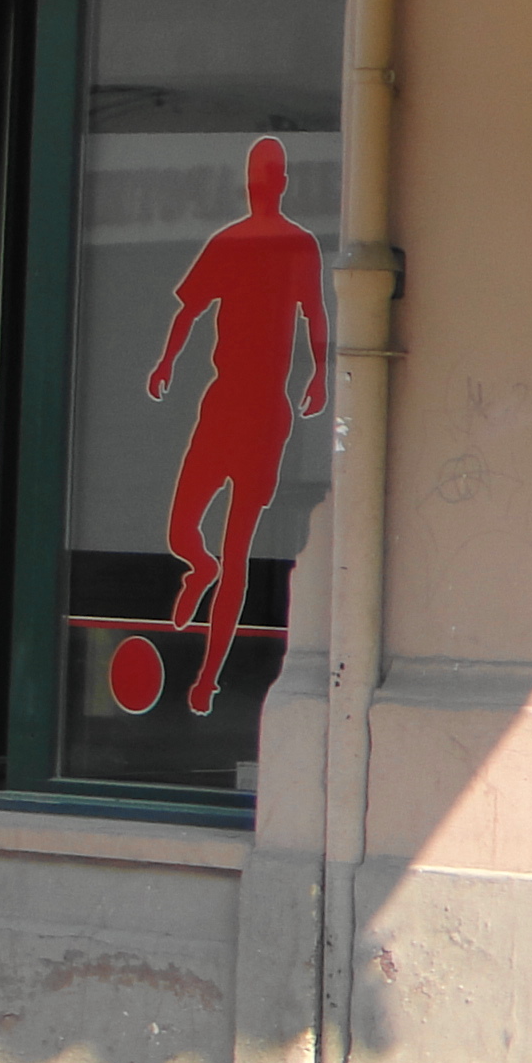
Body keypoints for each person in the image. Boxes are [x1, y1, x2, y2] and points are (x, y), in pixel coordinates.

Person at [146, 135, 328, 717]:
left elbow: (314, 314)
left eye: (266, 176)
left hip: (263, 411)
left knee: (239, 546)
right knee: (181, 530)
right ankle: (199, 566)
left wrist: (321, 373)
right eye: (256, 175)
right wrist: (167, 360)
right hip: (220, 403)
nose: (261, 184)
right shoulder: (228, 243)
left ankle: (208, 680)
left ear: (278, 184)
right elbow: (189, 308)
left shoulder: (299, 246)